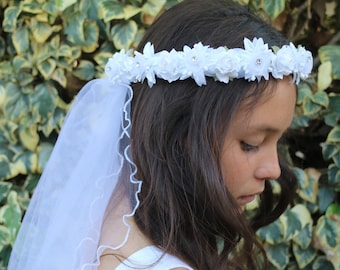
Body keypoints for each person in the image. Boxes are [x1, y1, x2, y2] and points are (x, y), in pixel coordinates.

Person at [8, 0, 313, 269]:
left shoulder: (100, 224)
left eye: (277, 140)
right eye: (251, 144)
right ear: (179, 131)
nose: (273, 169)